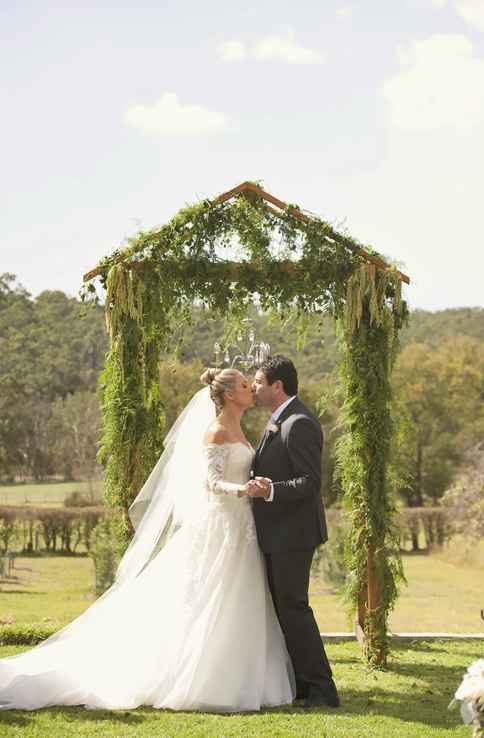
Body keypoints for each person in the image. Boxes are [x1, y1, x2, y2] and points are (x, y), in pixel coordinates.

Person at [0, 368, 295, 713]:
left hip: (241, 525)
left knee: (240, 598)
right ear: (230, 395)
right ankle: (199, 677)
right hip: (221, 526)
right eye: (246, 385)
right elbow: (211, 484)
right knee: (209, 598)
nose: (252, 390)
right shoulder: (215, 432)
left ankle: (244, 677)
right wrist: (244, 489)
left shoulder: (241, 430)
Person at [249, 355, 340, 708]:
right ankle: (302, 684)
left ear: (277, 385)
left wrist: (270, 490)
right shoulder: (279, 420)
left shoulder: (298, 422)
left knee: (294, 607)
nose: (254, 388)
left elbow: (309, 483)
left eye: (258, 382)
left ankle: (322, 688)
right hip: (279, 533)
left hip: (293, 534)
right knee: (287, 609)